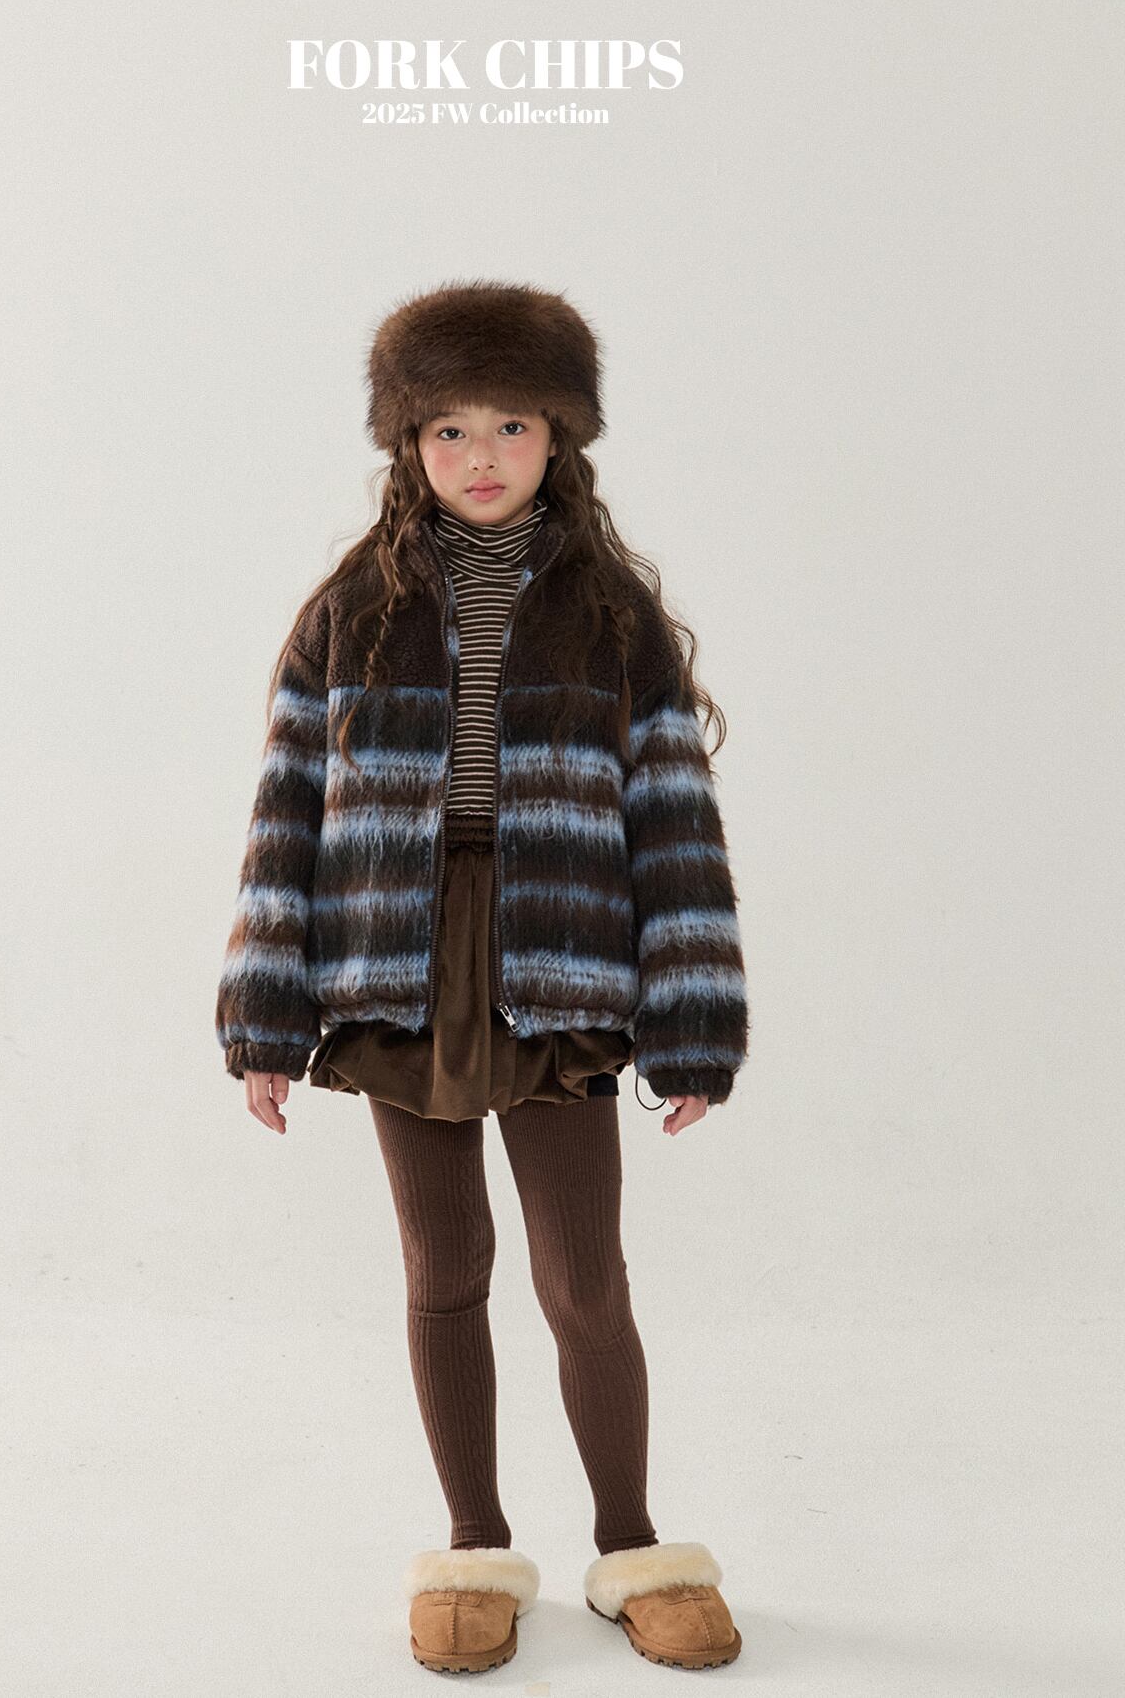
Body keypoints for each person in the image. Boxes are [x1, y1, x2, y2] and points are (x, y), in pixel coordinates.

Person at [214, 279, 750, 1674]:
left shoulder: (613, 617)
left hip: (561, 964)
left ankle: (633, 1544)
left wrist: (693, 1022)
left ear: (561, 435)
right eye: (448, 429)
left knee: (584, 1280)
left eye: (512, 424)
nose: (482, 456)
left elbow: (675, 824)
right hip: (396, 972)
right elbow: (285, 815)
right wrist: (266, 1016)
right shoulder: (350, 611)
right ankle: (473, 1544)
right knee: (443, 1269)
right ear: (408, 444)